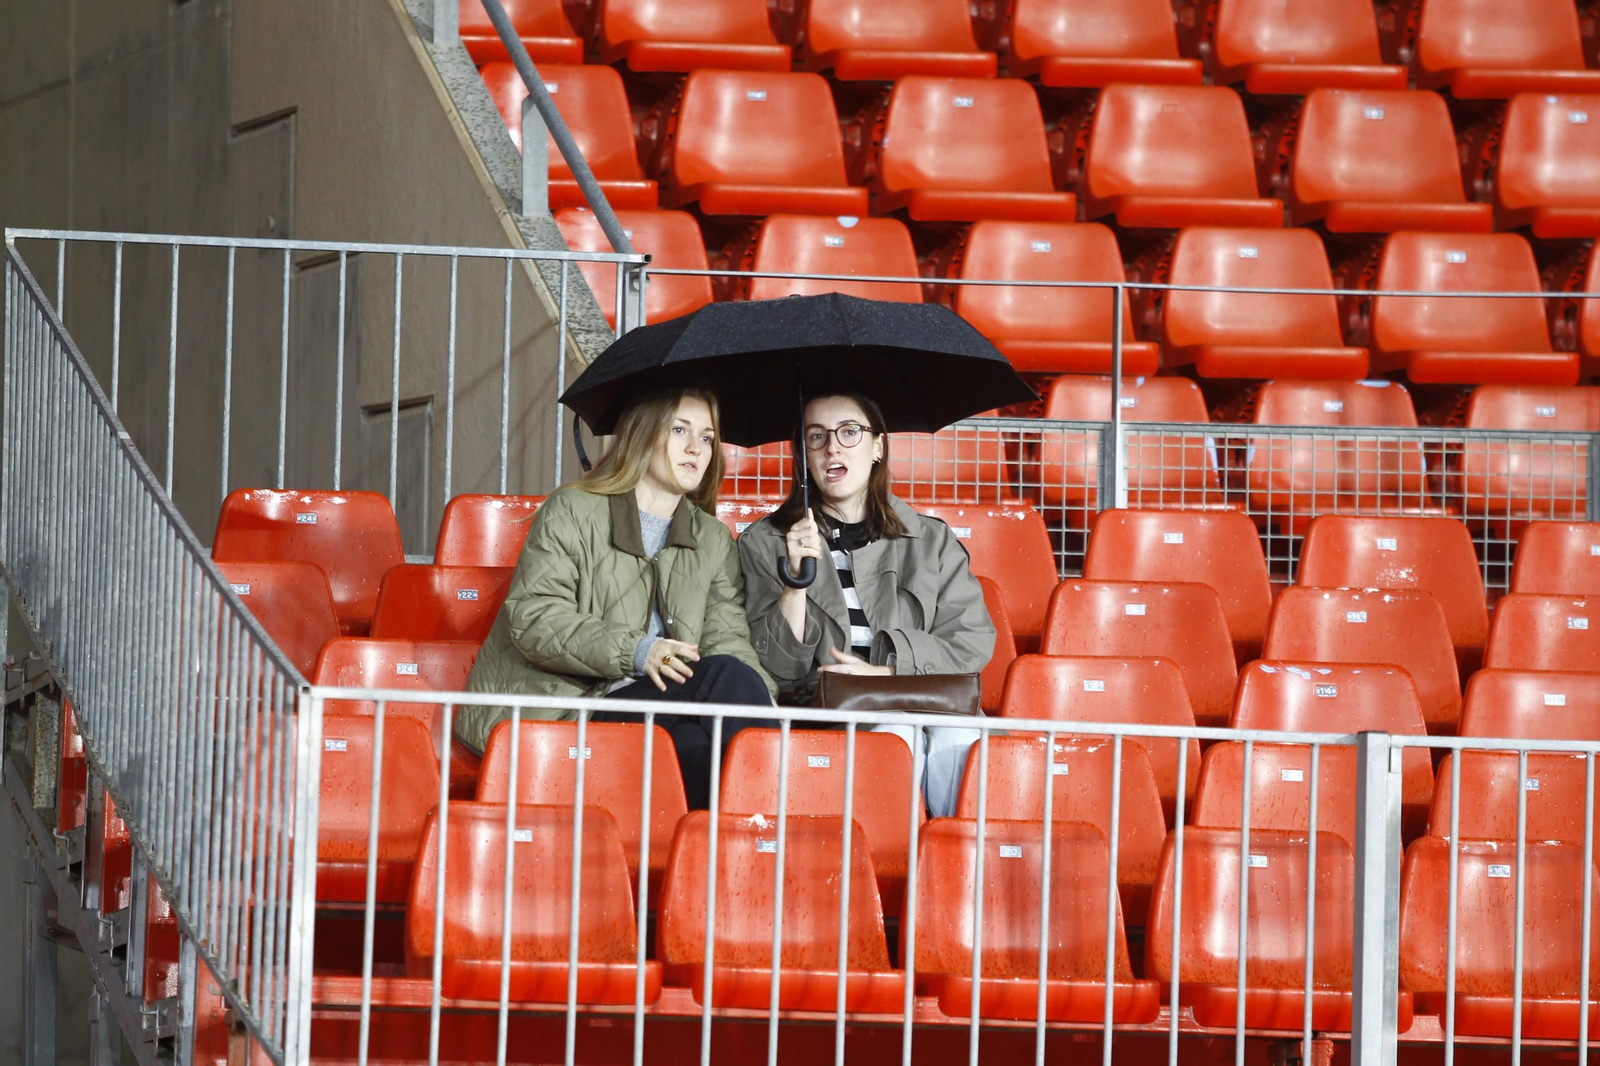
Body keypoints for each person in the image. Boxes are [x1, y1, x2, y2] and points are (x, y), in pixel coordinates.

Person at [456, 387, 777, 809]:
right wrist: (640, 651)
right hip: (575, 706)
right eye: (679, 429)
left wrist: (765, 699)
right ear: (643, 433)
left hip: (660, 706)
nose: (695, 448)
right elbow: (535, 619)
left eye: (706, 437)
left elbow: (726, 639)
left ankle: (701, 866)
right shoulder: (573, 509)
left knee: (694, 744)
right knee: (725, 680)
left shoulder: (712, 538)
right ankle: (779, 833)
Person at [738, 392, 995, 817]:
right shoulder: (766, 542)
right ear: (803, 455)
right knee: (896, 735)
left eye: (849, 432)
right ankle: (889, 863)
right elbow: (777, 673)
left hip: (924, 701)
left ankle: (953, 866)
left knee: (958, 734)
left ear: (878, 446)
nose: (832, 447)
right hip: (827, 713)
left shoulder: (931, 540)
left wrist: (884, 673)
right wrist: (794, 584)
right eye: (816, 436)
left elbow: (971, 641)